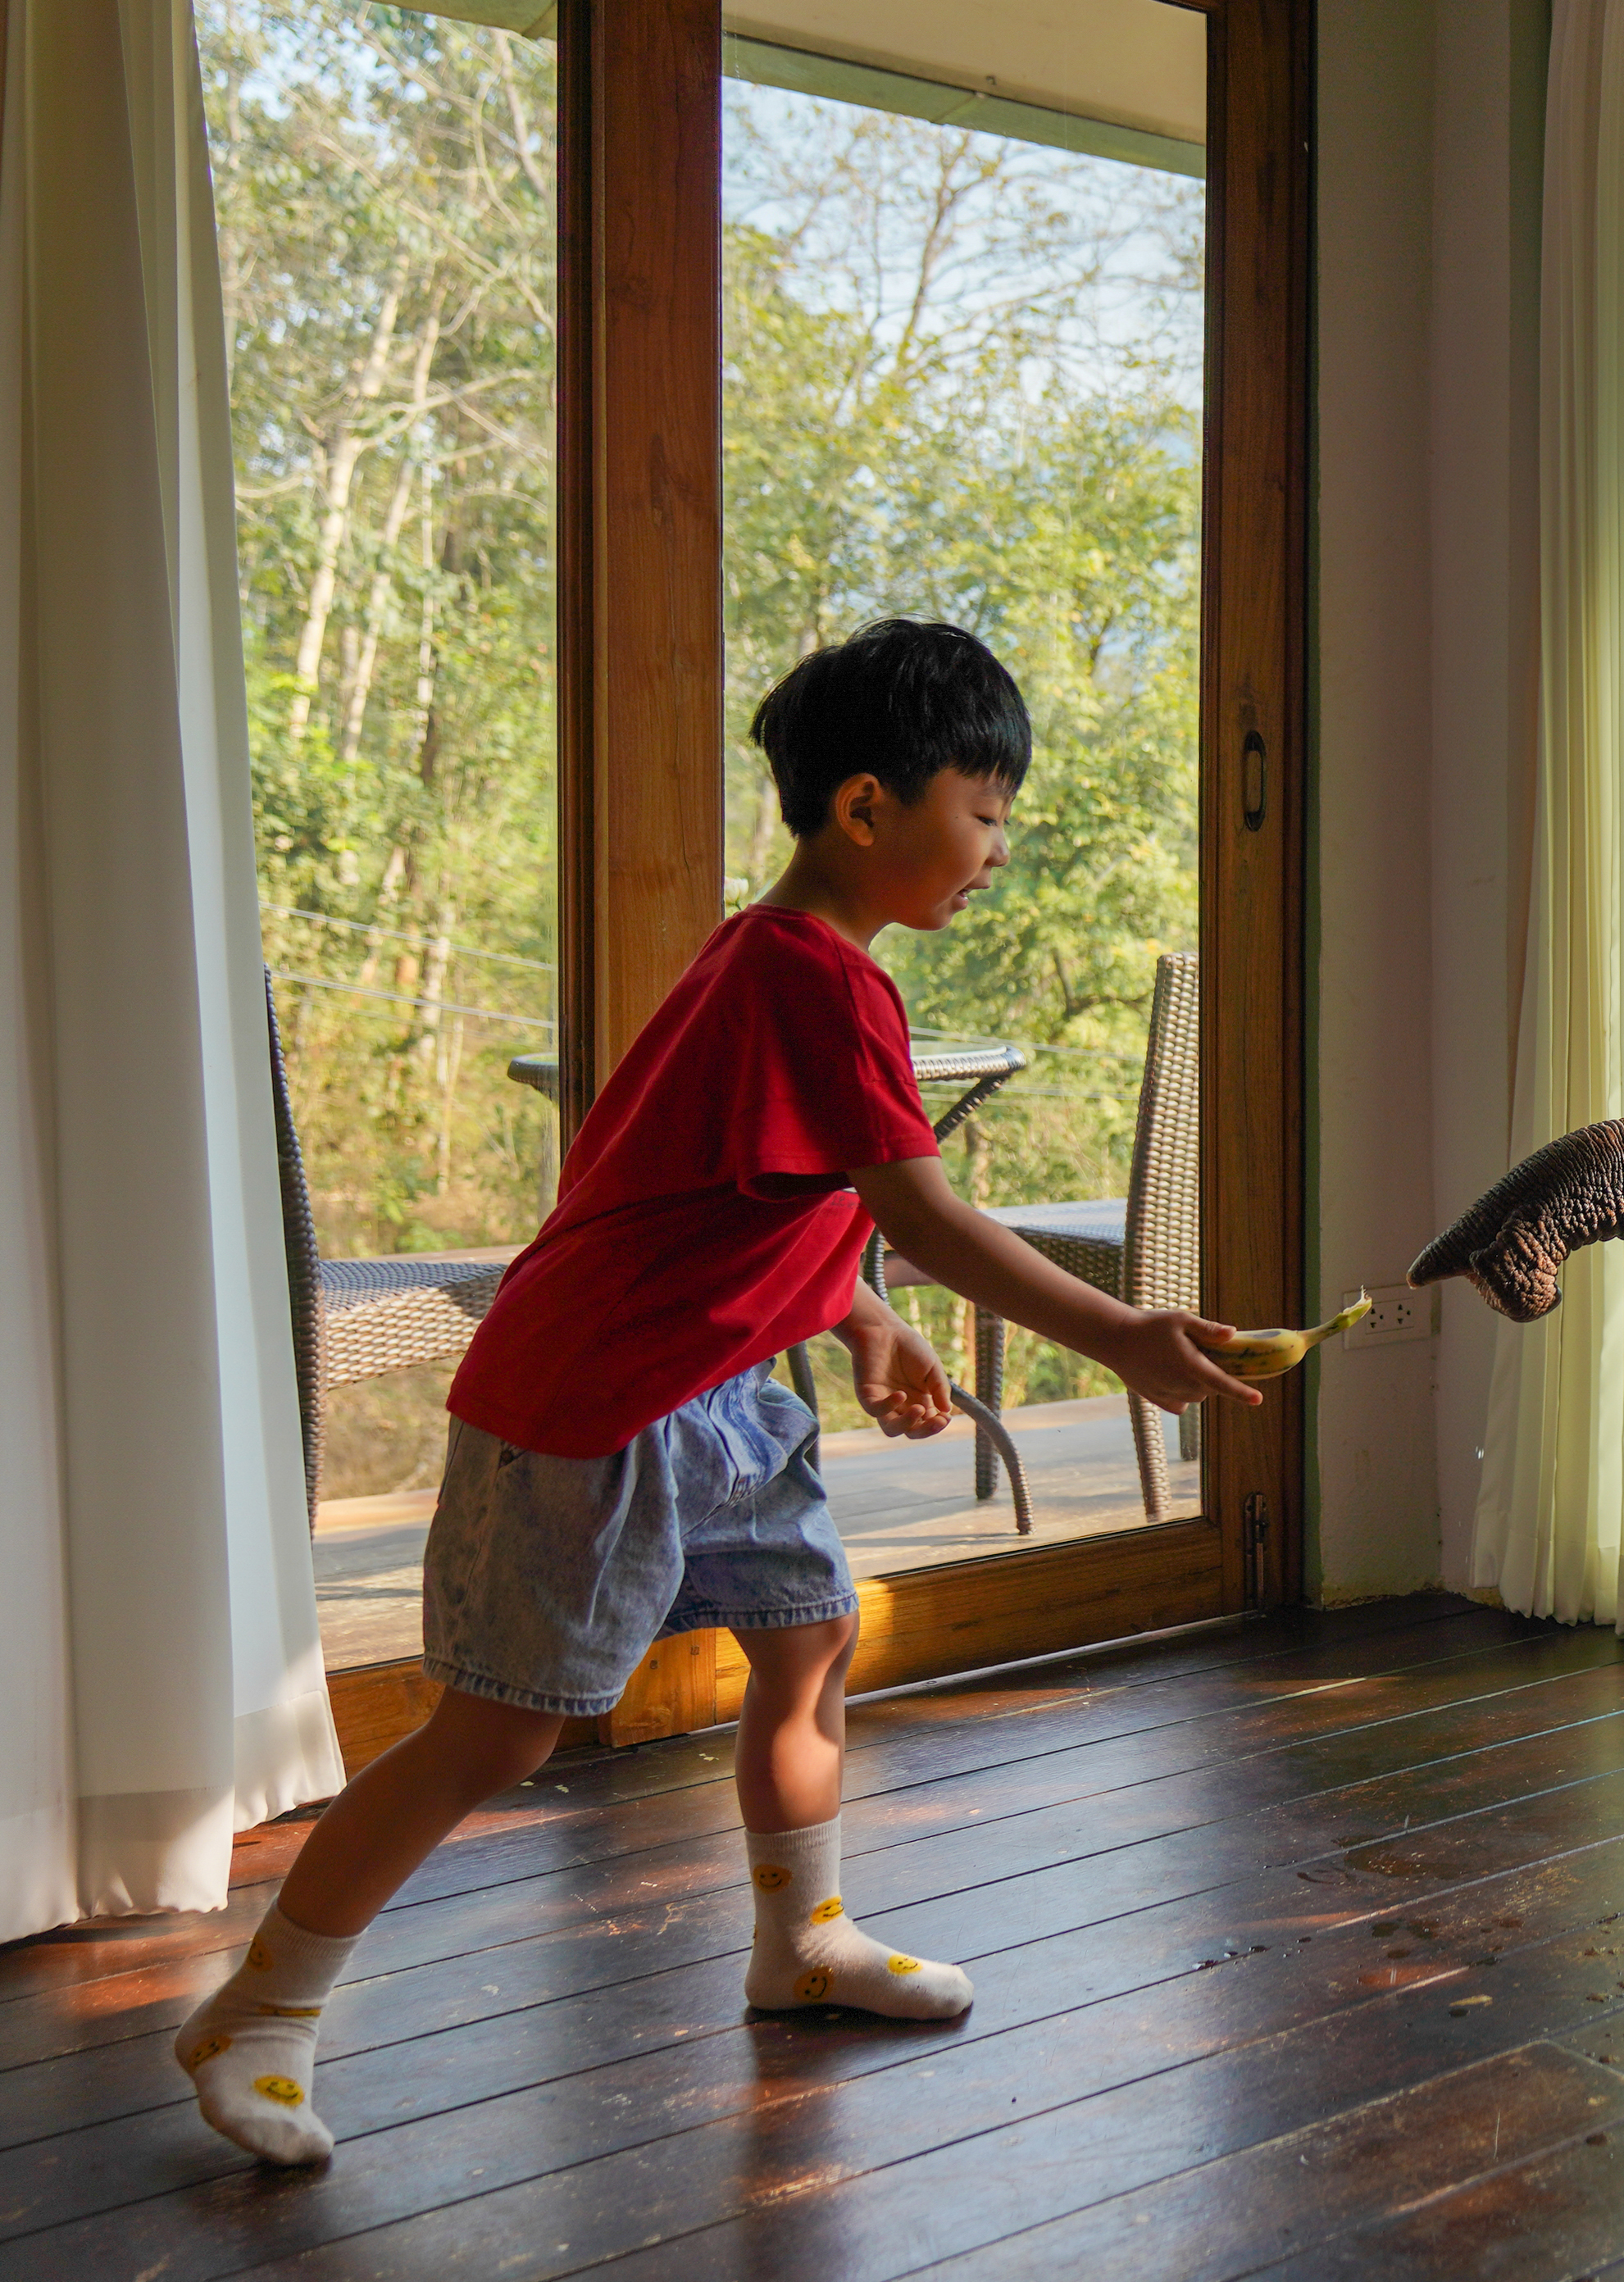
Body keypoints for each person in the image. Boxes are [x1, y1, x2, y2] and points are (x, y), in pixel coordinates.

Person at [179, 619, 1252, 2169]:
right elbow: (927, 1208)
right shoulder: (809, 977)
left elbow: (747, 1194)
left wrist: (863, 1316)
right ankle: (259, 2011)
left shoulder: (788, 968)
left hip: (729, 1384)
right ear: (869, 808)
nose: (999, 848)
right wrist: (1122, 1336)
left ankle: (799, 1943)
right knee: (495, 1734)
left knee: (808, 1647)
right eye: (988, 809)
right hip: (601, 1394)